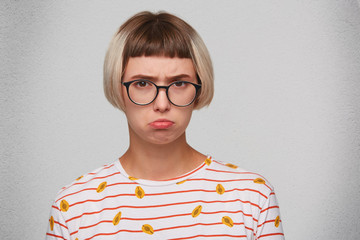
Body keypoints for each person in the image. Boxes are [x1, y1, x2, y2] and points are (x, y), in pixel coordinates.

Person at [46, 11, 285, 239]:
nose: (162, 103)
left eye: (179, 83)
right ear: (117, 88)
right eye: (142, 83)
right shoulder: (75, 205)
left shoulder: (252, 197)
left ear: (200, 88)